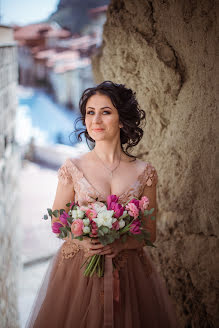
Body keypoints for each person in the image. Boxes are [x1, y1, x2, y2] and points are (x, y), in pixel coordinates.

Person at [25, 81, 177, 328]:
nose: (95, 120)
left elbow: (149, 232)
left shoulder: (145, 172)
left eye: (105, 112)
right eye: (90, 112)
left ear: (121, 120)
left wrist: (121, 243)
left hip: (129, 273)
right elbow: (57, 222)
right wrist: (81, 239)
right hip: (78, 271)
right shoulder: (73, 168)